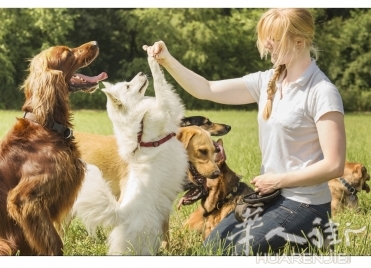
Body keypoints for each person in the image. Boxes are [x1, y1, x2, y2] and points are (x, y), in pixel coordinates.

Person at [143, 8, 346, 255]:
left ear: (299, 42)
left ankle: (314, 234)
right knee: (212, 247)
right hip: (271, 197)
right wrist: (167, 59)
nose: (267, 45)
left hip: (305, 204)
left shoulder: (322, 92)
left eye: (273, 38)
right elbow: (206, 88)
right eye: (265, 37)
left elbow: (334, 165)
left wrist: (279, 180)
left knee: (233, 253)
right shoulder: (267, 82)